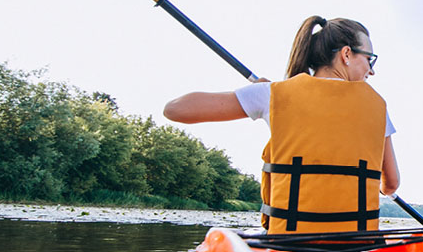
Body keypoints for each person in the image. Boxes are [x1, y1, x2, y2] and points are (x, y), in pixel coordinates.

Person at [163, 16, 400, 234]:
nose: (371, 70)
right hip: (355, 246)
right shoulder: (378, 108)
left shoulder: (273, 95)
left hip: (286, 244)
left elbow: (174, 109)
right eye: (369, 59)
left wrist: (264, 94)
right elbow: (391, 184)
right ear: (346, 54)